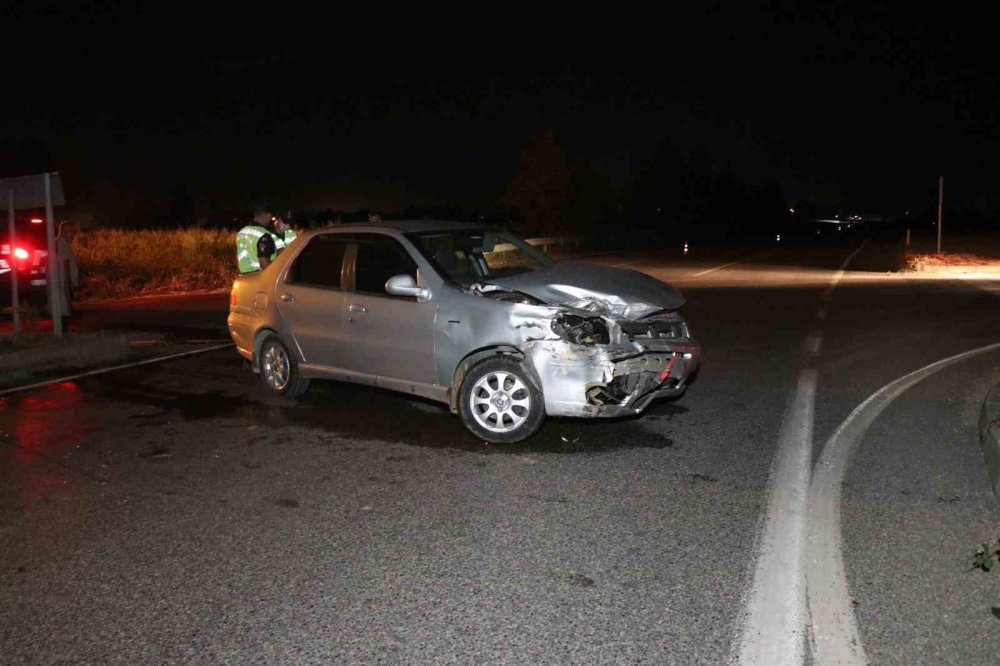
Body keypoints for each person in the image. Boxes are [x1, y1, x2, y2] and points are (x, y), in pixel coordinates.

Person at [236, 204, 298, 273]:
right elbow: (264, 263)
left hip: (244, 277)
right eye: (284, 222)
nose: (287, 226)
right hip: (261, 275)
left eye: (289, 224)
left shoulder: (242, 232)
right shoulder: (264, 235)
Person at [55, 222, 80, 332]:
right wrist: (68, 283)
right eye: (71, 231)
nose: (73, 234)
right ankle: (63, 332)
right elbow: (65, 266)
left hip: (66, 282)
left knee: (65, 309)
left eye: (74, 231)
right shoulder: (61, 245)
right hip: (63, 283)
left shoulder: (65, 245)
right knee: (64, 309)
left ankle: (64, 331)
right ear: (63, 232)